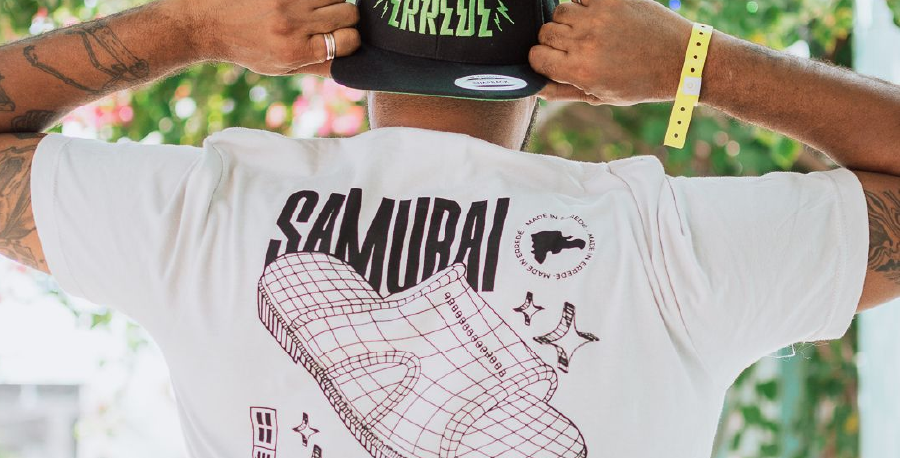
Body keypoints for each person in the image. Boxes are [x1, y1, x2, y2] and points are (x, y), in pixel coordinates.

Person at [0, 0, 898, 456]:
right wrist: (690, 63)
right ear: (556, 60)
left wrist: (191, 24)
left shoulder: (208, 214)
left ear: (351, 43)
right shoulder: (658, 241)